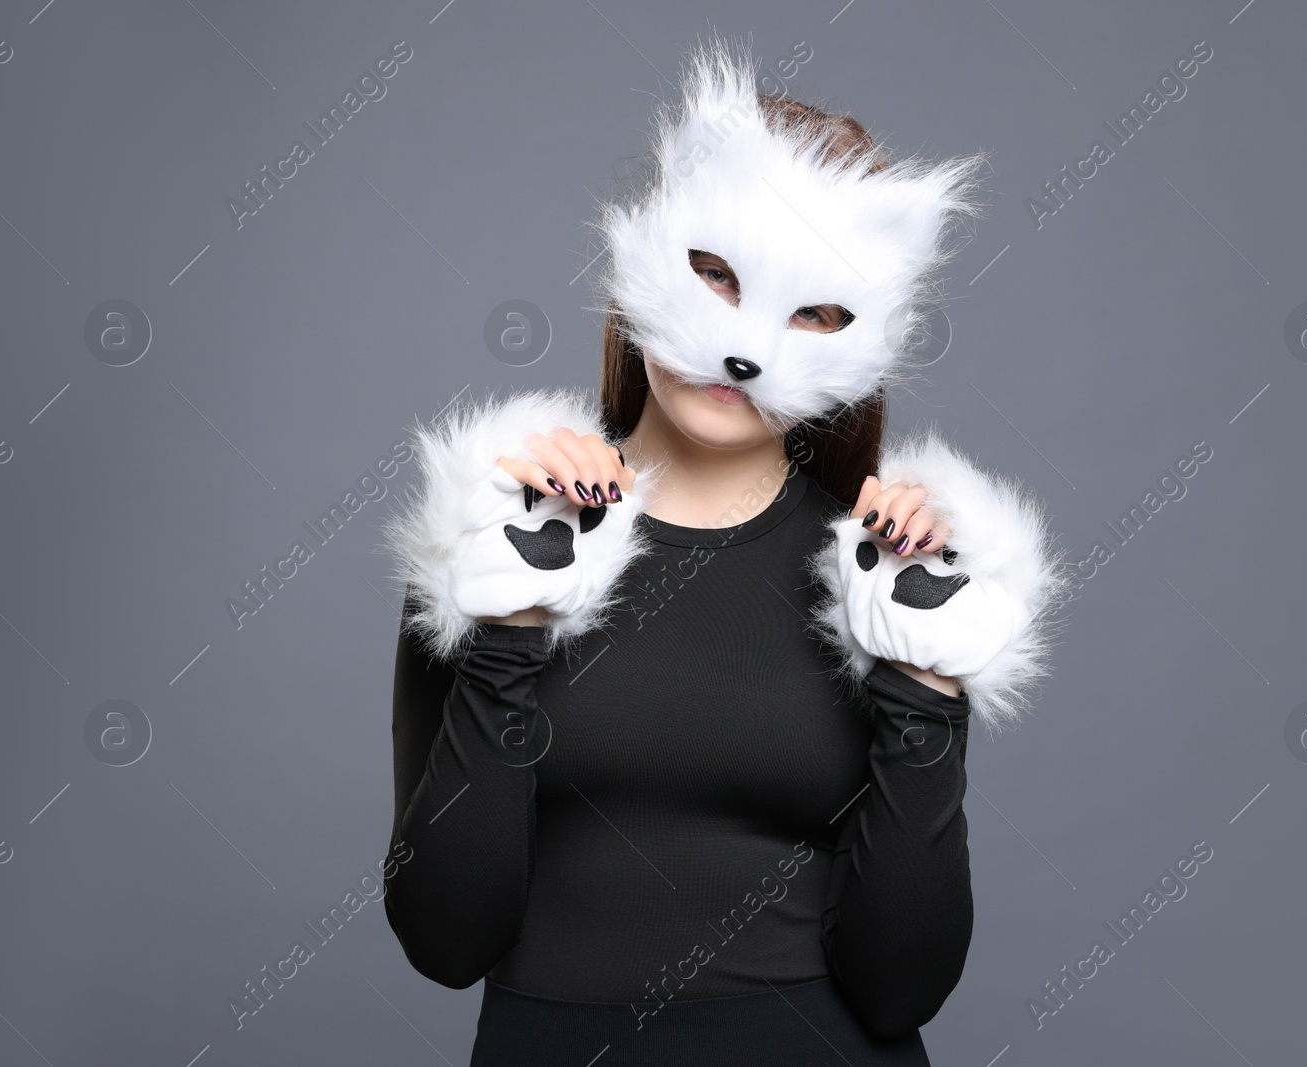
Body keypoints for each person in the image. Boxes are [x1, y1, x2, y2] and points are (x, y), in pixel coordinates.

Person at [381, 37, 1069, 1066]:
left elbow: (902, 985)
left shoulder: (885, 583)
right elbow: (445, 936)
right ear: (643, 260)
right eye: (714, 274)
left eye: (814, 311)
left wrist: (923, 688)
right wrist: (511, 625)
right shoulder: (489, 535)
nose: (744, 346)